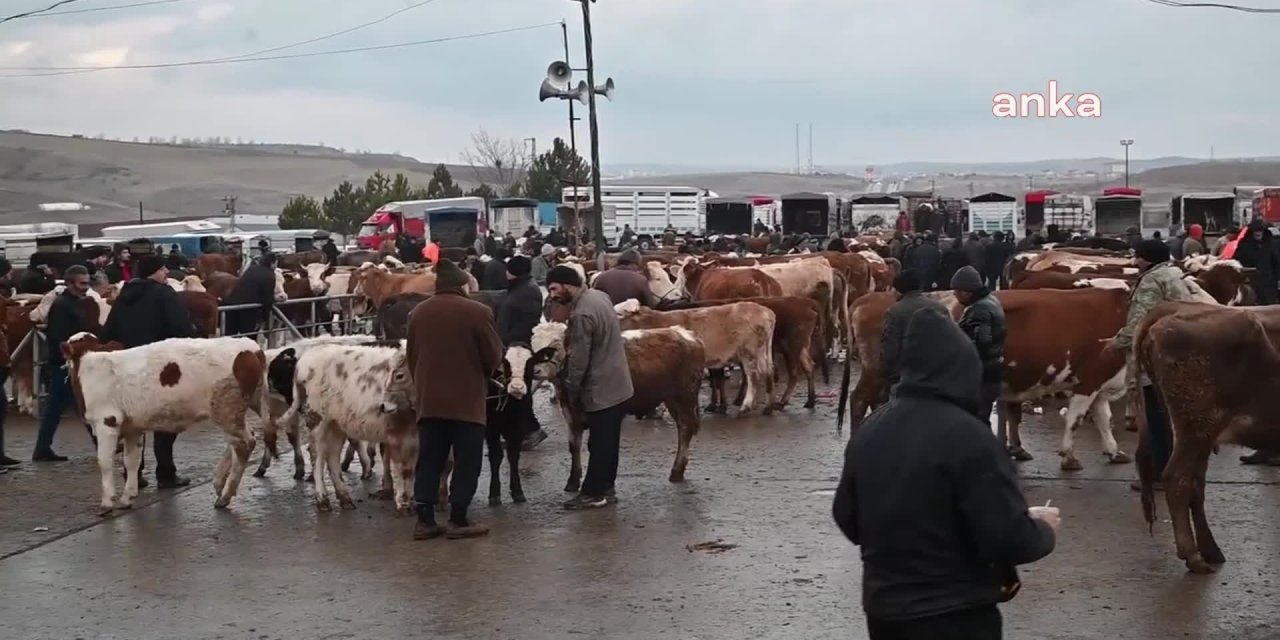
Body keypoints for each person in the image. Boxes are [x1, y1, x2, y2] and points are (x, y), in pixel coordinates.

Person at [834, 305, 1058, 640]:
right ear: (963, 370)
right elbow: (1008, 539)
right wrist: (1042, 529)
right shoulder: (971, 438)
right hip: (956, 614)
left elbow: (847, 517)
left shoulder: (871, 428)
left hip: (885, 612)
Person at [1101, 239, 1212, 487]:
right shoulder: (1174, 274)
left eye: (1139, 256)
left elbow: (1140, 321)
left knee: (1155, 419)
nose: (1135, 261)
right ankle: (1174, 470)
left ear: (1148, 258)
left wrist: (1116, 342)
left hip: (1156, 357)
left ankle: (1161, 473)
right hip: (1176, 352)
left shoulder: (1152, 281)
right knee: (1168, 418)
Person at [406, 259, 503, 540]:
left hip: (429, 402)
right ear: (462, 285)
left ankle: (424, 520)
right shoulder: (478, 312)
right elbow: (494, 356)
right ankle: (458, 519)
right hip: (466, 401)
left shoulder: (418, 313)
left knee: (429, 459)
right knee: (467, 460)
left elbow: (411, 356)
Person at [99, 255, 196, 487]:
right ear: (153, 272)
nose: (166, 273)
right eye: (162, 269)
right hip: (160, 367)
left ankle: (134, 473)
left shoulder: (125, 295)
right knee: (165, 421)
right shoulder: (164, 294)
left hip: (130, 367)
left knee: (134, 423)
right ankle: (166, 473)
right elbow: (181, 327)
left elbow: (109, 331)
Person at [545, 265, 634, 510]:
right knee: (609, 439)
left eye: (554, 288)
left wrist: (570, 389)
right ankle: (607, 487)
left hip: (600, 385)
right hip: (619, 381)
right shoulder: (599, 296)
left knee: (600, 442)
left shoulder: (581, 314)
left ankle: (593, 493)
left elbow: (579, 359)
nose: (552, 295)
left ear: (567, 284)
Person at [29, 266, 92, 462]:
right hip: (65, 364)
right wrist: (67, 358)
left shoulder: (73, 303)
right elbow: (57, 336)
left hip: (69, 363)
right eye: (82, 283)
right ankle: (42, 448)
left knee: (76, 406)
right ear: (70, 283)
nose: (86, 287)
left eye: (87, 283)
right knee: (64, 406)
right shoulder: (64, 305)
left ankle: (43, 448)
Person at [497, 255, 550, 450]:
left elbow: (526, 322)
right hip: (515, 346)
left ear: (514, 272)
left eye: (508, 269)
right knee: (516, 392)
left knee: (519, 392)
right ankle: (523, 431)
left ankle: (531, 431)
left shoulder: (525, 292)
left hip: (519, 350)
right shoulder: (522, 288)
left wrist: (511, 342)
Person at [951, 266, 1006, 425]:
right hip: (991, 370)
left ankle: (982, 449)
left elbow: (983, 342)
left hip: (981, 374)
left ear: (967, 292)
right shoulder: (990, 300)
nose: (954, 294)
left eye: (957, 291)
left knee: (977, 421)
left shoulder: (980, 309)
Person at [880, 269, 947, 398]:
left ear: (898, 290)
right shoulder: (940, 308)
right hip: (935, 372)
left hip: (906, 374)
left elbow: (890, 349)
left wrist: (885, 372)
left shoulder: (895, 311)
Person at [222, 251, 279, 337]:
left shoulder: (251, 269)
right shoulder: (270, 275)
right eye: (276, 264)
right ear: (272, 263)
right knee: (248, 338)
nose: (276, 266)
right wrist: (266, 318)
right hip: (248, 308)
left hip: (231, 303)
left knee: (230, 337)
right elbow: (267, 299)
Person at [1231, 219, 1280, 305]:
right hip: (1250, 282)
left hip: (1269, 283)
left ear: (1264, 231)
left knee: (1268, 307)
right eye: (1255, 231)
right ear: (1252, 231)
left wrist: (1278, 278)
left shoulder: (1271, 244)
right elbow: (1236, 261)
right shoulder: (1244, 244)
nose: (1258, 233)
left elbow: (1277, 262)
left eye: (1260, 230)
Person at [592, 249, 659, 307]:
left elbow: (594, 301)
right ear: (633, 264)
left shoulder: (601, 277)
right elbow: (649, 305)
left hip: (606, 318)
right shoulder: (640, 280)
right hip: (630, 320)